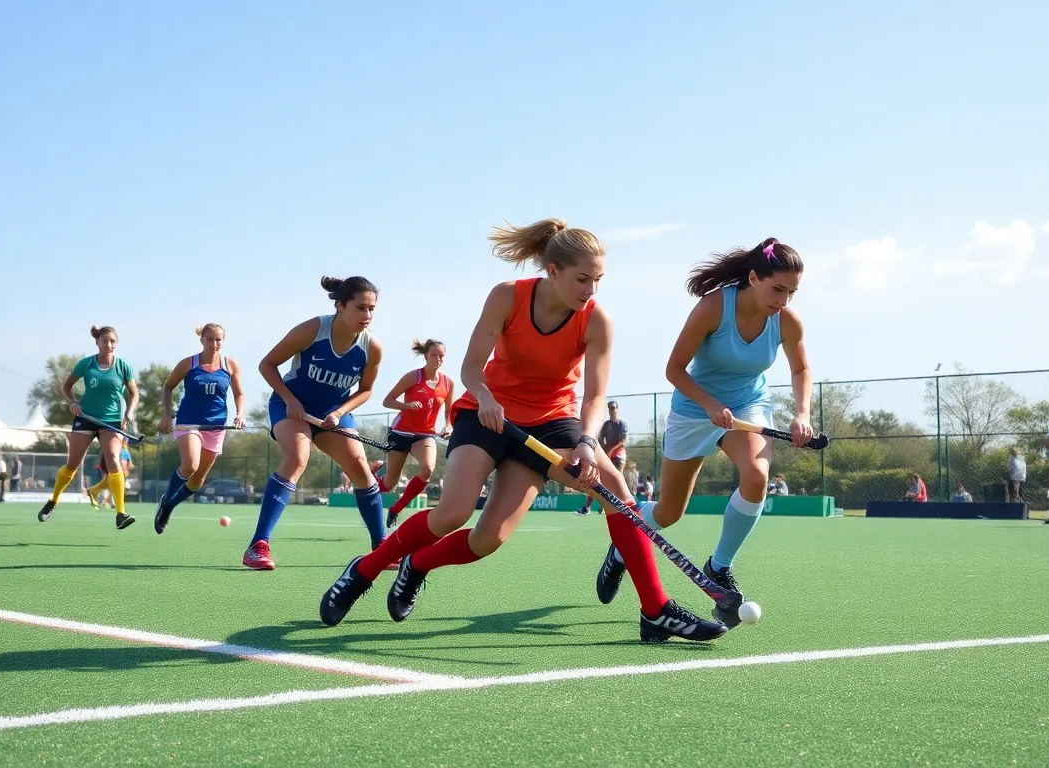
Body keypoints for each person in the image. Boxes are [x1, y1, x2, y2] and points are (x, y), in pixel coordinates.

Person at [318, 218, 726, 643]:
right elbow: (472, 367)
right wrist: (487, 397)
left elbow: (593, 397)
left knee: (523, 526)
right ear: (552, 270)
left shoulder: (596, 319)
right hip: (486, 414)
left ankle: (654, 611)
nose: (590, 290)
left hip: (552, 422)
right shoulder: (507, 297)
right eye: (582, 279)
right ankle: (362, 572)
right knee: (453, 513)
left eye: (598, 280)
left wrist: (587, 442)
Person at [593, 238, 814, 627]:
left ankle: (719, 566)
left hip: (747, 405)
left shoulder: (787, 321)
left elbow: (800, 369)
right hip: (695, 409)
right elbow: (674, 369)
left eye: (792, 292)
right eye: (777, 289)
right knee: (668, 512)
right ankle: (621, 548)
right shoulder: (714, 307)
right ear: (752, 278)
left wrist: (802, 413)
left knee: (757, 476)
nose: (784, 300)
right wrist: (710, 404)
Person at [243, 276, 385, 571]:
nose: (367, 316)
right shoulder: (313, 329)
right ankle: (258, 545)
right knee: (297, 458)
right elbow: (267, 365)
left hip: (333, 411)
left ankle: (381, 547)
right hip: (290, 405)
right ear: (340, 305)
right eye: (360, 308)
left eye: (372, 309)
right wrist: (290, 400)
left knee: (360, 468)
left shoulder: (372, 347)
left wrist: (340, 412)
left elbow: (366, 390)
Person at [38, 325, 139, 529]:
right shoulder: (86, 364)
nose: (109, 345)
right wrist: (73, 402)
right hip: (85, 417)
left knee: (112, 459)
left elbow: (134, 394)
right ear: (97, 342)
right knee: (73, 465)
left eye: (112, 341)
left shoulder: (123, 366)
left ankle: (121, 512)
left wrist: (129, 413)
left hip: (111, 420)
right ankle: (53, 501)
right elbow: (66, 386)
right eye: (105, 341)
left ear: (116, 343)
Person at [155, 323, 248, 533]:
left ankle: (167, 506)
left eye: (218, 339)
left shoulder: (230, 365)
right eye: (210, 339)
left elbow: (239, 394)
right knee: (190, 465)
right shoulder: (188, 364)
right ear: (202, 340)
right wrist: (167, 416)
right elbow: (168, 387)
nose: (214, 344)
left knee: (197, 481)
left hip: (216, 426)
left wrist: (240, 414)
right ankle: (168, 499)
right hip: (189, 422)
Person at [377, 339, 455, 529]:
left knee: (427, 469)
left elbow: (449, 412)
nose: (438, 359)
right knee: (388, 484)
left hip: (425, 435)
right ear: (426, 356)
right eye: (434, 355)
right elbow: (387, 401)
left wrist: (449, 426)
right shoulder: (413, 377)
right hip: (401, 432)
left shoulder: (448, 383)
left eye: (441, 356)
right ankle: (369, 480)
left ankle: (396, 509)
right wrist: (406, 406)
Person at [578, 400, 628, 515]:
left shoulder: (622, 424)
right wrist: (603, 449)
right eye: (610, 408)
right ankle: (587, 507)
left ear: (617, 409)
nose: (612, 411)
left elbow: (623, 441)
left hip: (619, 456)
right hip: (607, 455)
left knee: (617, 479)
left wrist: (611, 450)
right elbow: (600, 439)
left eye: (614, 408)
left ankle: (623, 506)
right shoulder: (606, 424)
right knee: (597, 478)